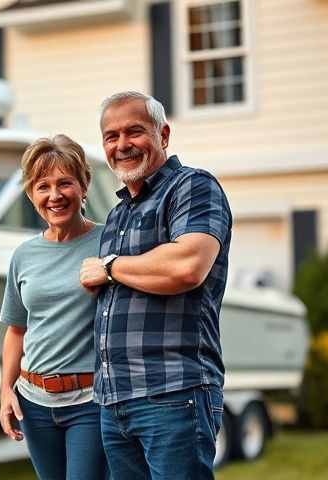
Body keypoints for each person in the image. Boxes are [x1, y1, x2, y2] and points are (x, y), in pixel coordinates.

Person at [79, 91, 232, 479]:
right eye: (111, 137)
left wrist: (110, 267)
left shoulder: (192, 187)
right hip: (115, 401)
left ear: (163, 134)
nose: (122, 144)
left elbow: (188, 266)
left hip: (173, 392)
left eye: (135, 131)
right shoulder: (116, 215)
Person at [0, 134, 108, 480]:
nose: (55, 195)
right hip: (33, 403)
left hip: (90, 403)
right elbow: (16, 329)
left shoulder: (109, 241)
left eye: (65, 183)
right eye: (42, 186)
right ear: (31, 195)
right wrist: (6, 390)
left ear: (84, 185)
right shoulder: (23, 256)